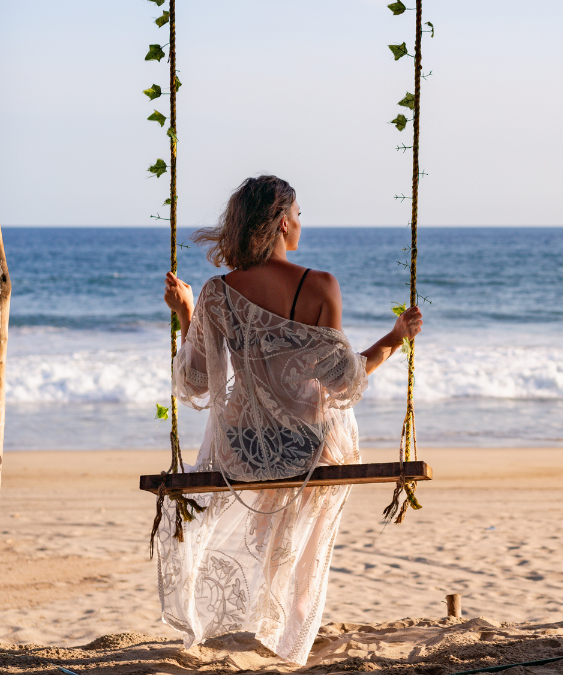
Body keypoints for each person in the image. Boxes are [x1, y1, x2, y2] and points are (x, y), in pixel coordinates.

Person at [158, 175, 423, 665]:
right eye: (298, 215)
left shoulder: (217, 293)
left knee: (270, 541)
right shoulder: (320, 286)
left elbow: (194, 381)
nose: (300, 224)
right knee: (303, 558)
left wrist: (187, 312)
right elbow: (344, 383)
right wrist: (395, 337)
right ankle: (288, 648)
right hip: (308, 449)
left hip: (244, 447)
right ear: (283, 222)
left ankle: (252, 636)